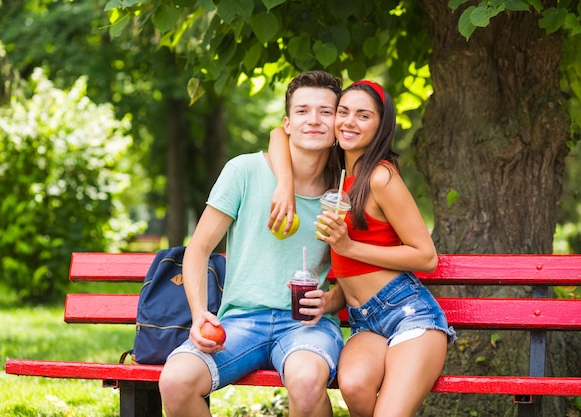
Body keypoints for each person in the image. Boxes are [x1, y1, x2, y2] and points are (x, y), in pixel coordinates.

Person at [158, 70, 346, 417]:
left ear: (339, 122)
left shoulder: (346, 190)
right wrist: (200, 315)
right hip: (240, 321)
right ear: (287, 123)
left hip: (308, 326)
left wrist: (330, 300)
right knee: (175, 381)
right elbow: (197, 251)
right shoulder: (243, 171)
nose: (314, 120)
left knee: (305, 383)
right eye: (303, 111)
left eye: (326, 111)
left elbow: (361, 272)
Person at [269, 80, 456, 417]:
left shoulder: (381, 178)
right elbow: (277, 135)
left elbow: (426, 256)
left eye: (363, 115)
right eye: (343, 112)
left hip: (407, 314)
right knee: (353, 386)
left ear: (381, 126)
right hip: (364, 321)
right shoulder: (336, 176)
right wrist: (329, 300)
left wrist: (348, 245)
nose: (349, 122)